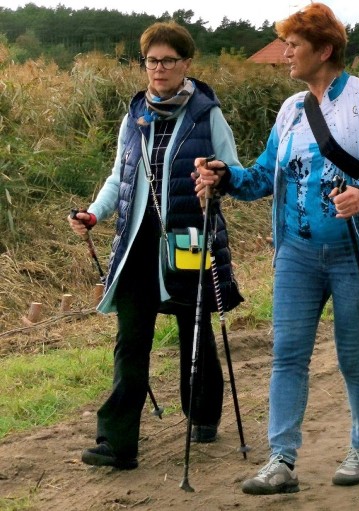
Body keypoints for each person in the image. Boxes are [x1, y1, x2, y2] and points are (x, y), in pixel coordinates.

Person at [194, 2, 359, 494]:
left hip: (358, 249)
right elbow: (262, 178)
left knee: (353, 356)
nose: (286, 53)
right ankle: (281, 460)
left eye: (294, 45)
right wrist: (226, 177)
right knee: (287, 355)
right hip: (296, 251)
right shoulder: (291, 110)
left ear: (325, 50)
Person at [68, 21, 243, 470]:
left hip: (188, 238)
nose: (159, 69)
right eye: (152, 60)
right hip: (135, 245)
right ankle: (117, 443)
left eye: (168, 60)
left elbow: (232, 170)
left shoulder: (207, 114)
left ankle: (202, 414)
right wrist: (93, 212)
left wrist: (216, 182)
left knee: (194, 331)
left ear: (186, 64)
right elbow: (118, 178)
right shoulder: (135, 116)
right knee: (130, 341)